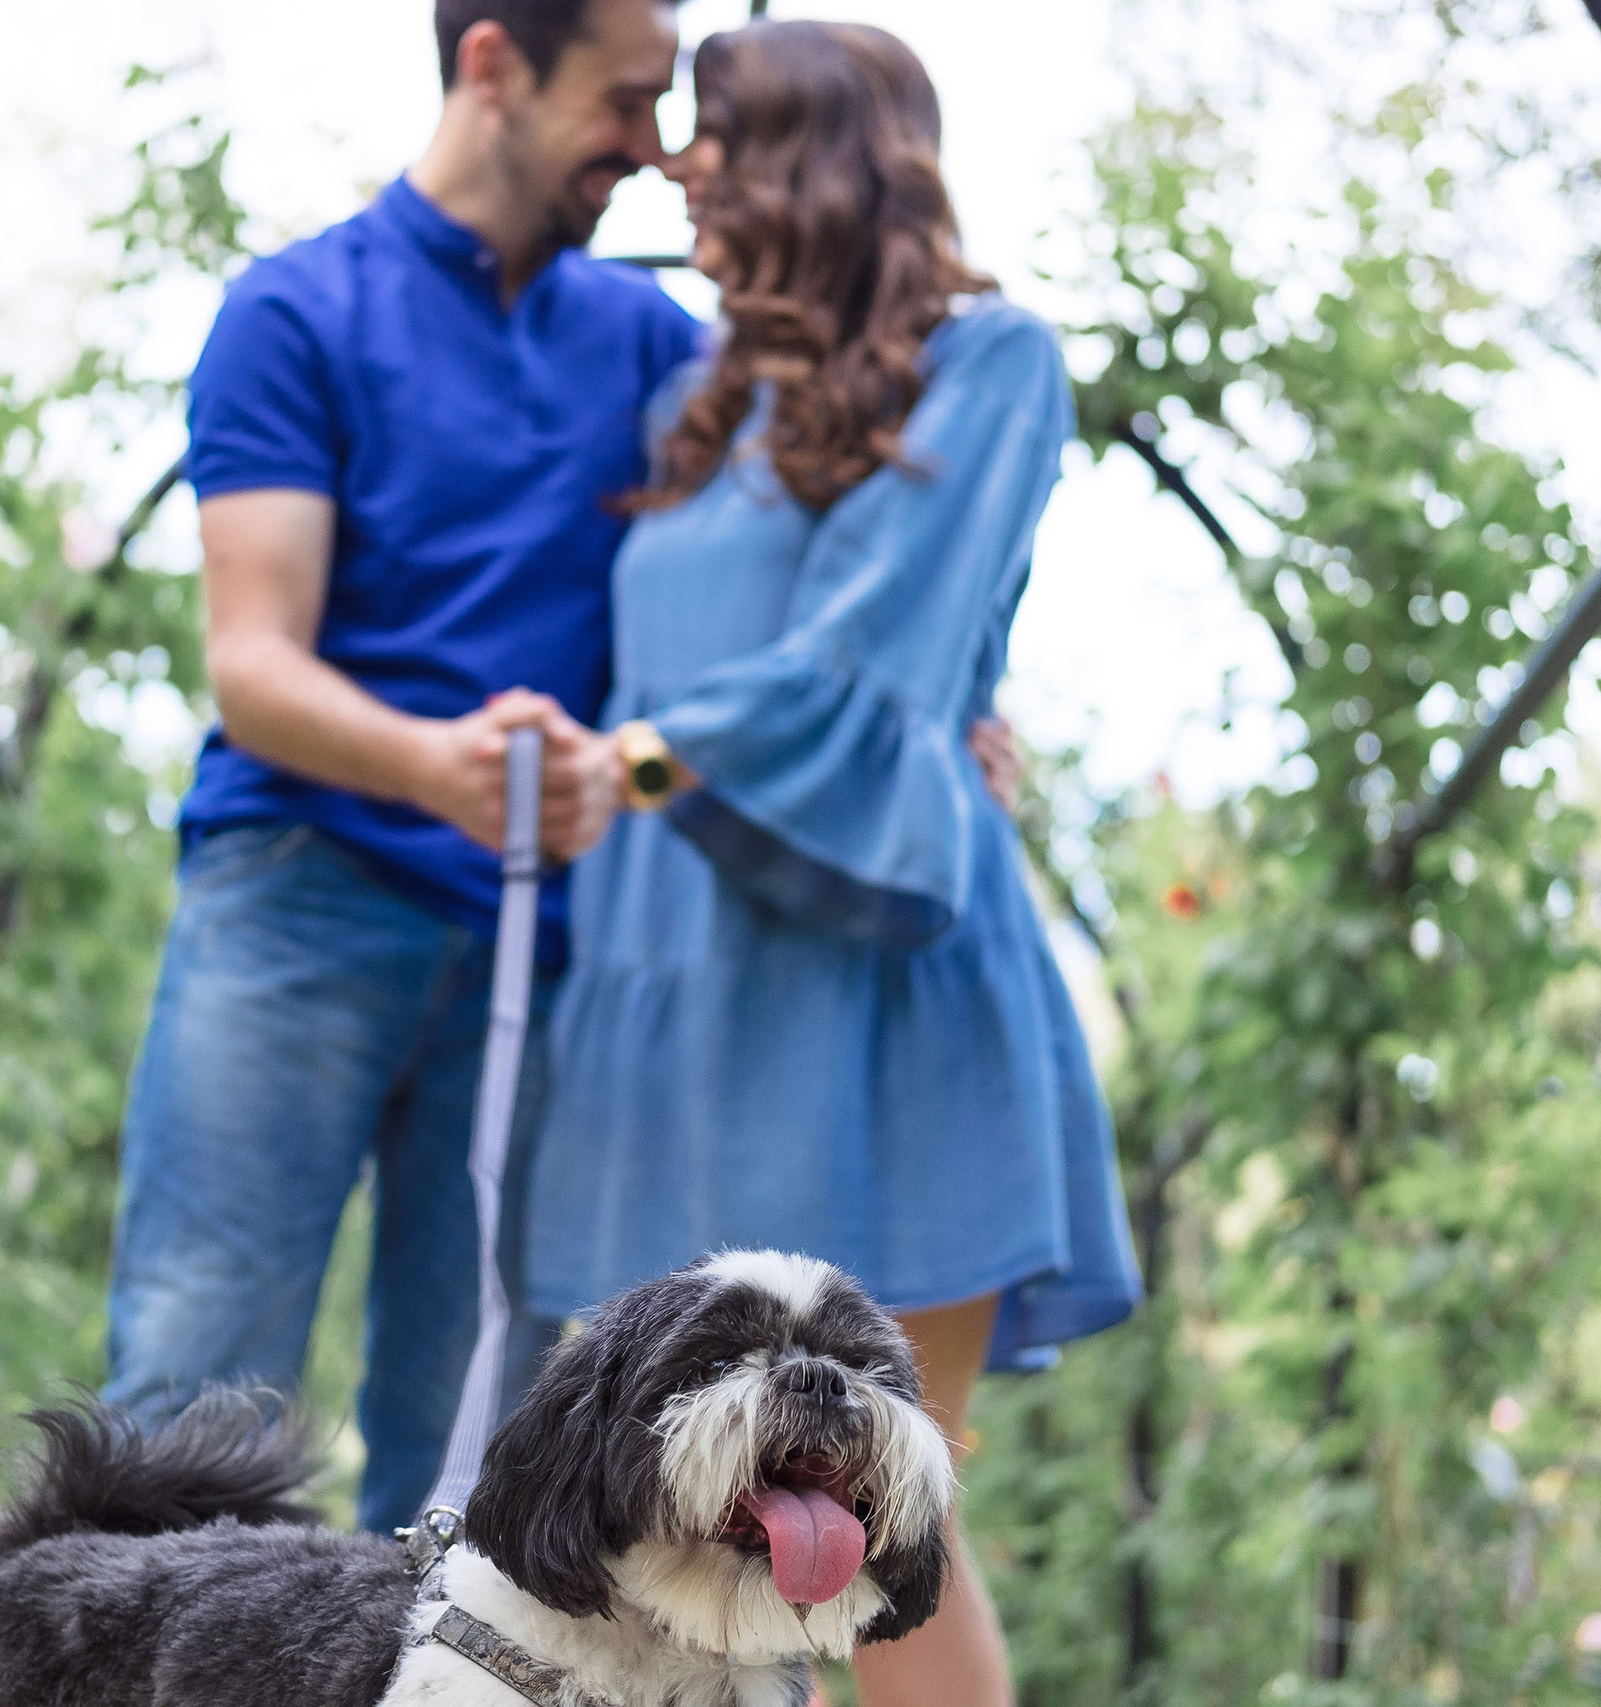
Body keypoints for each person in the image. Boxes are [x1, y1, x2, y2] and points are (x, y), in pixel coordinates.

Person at [523, 21, 1143, 1707]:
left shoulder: (993, 362)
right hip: (665, 1005)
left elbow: (878, 656)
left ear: (814, 151)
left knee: (886, 1547)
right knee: (651, 1554)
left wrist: (644, 755)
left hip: (883, 1004)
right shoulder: (688, 403)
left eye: (710, 133)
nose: (676, 164)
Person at [101, 0, 694, 1537]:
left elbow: (799, 541)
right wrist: (434, 766)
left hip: (538, 957)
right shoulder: (298, 314)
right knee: (192, 1389)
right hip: (295, 902)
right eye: (625, 103)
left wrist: (955, 692)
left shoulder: (649, 347)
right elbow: (256, 664)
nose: (652, 147)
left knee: (486, 1445)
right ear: (492, 62)